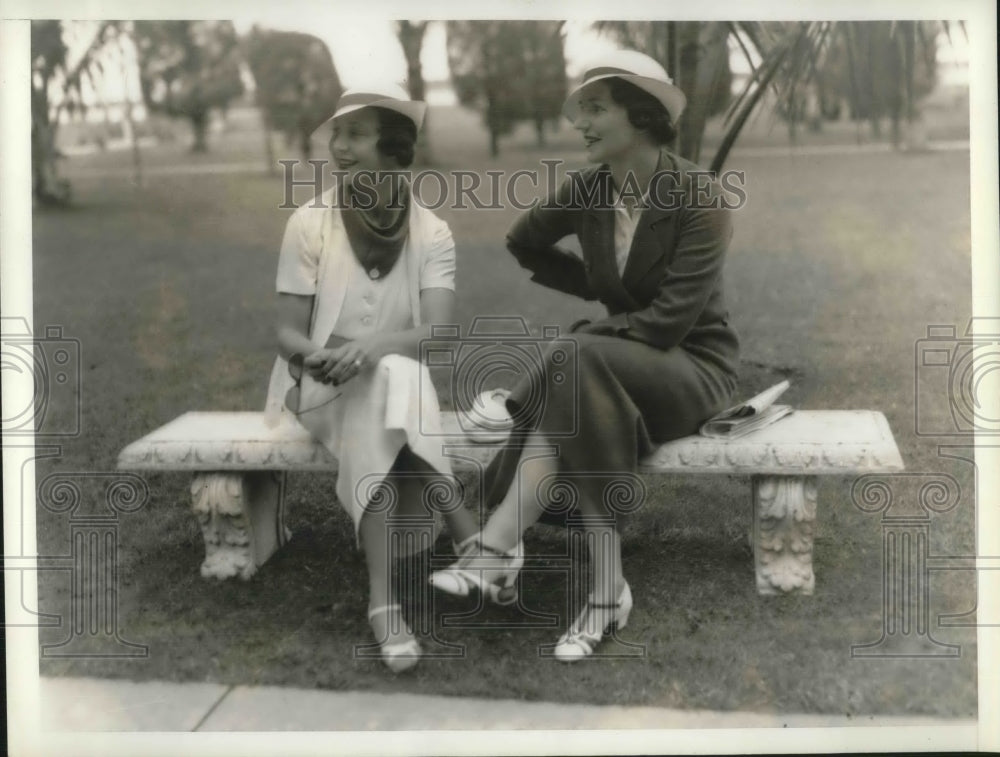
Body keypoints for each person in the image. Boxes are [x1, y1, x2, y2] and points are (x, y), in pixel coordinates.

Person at [430, 50, 740, 661]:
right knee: (577, 380)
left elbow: (670, 323)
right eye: (582, 112)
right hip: (614, 367)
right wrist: (595, 285)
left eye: (597, 110)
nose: (582, 123)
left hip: (694, 367)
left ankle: (497, 546)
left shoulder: (702, 198)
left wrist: (591, 330)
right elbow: (524, 242)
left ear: (643, 117)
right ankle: (602, 591)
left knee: (575, 359)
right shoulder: (590, 189)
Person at [265, 82, 477, 673]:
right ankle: (470, 539)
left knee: (390, 380)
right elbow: (286, 334)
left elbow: (437, 335)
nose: (340, 147)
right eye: (338, 134)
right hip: (317, 385)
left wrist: (371, 349)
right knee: (386, 382)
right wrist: (325, 356)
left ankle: (384, 605)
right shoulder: (311, 223)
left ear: (393, 148)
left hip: (389, 391)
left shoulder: (431, 231)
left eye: (356, 135)